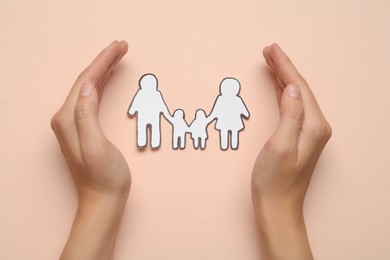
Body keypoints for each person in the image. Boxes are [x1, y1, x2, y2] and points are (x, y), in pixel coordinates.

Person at [50, 41, 331, 259]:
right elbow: (157, 108)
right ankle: (220, 138)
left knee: (213, 132)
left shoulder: (167, 95)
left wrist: (101, 197)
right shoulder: (156, 94)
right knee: (168, 131)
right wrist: (279, 204)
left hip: (207, 123)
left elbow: (172, 109)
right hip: (173, 121)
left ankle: (222, 138)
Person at [128, 73, 172, 149]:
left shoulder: (141, 93)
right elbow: (163, 106)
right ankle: (154, 143)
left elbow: (135, 104)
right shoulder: (155, 93)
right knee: (155, 129)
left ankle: (142, 143)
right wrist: (169, 116)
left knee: (142, 128)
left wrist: (131, 111)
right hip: (153, 116)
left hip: (143, 116)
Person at [207, 77, 250, 150]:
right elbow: (244, 111)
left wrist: (208, 119)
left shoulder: (221, 99)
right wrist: (246, 114)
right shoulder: (236, 99)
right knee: (233, 133)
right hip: (234, 122)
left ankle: (224, 145)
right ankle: (232, 145)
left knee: (225, 133)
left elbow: (215, 112)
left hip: (223, 122)